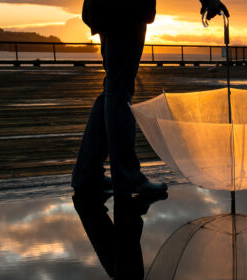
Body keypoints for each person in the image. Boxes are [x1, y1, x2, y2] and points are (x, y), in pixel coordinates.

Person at [72, 0, 229, 197]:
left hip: (107, 11)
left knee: (113, 88)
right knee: (118, 91)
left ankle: (88, 174)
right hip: (125, 11)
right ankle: (126, 177)